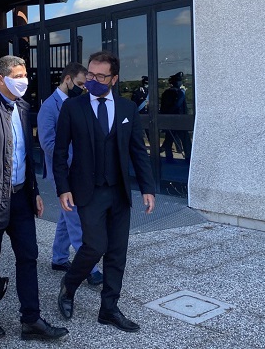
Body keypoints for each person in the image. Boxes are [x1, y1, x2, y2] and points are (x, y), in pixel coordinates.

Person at [0, 55, 68, 341]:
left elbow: (25, 155)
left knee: (28, 256)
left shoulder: (22, 107)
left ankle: (31, 320)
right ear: (0, 79)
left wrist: (35, 192)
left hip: (21, 198)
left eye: (24, 75)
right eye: (17, 76)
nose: (24, 81)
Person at [54, 51, 155, 333]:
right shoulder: (73, 107)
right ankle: (69, 285)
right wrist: (63, 188)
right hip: (88, 191)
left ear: (114, 78)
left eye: (100, 76)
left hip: (119, 191)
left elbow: (138, 151)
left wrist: (147, 188)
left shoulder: (127, 109)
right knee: (94, 246)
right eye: (90, 74)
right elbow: (59, 152)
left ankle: (109, 309)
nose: (93, 80)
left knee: (117, 252)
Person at [37, 62, 102, 286]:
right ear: (67, 79)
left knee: (67, 216)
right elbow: (47, 143)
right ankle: (90, 268)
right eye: (80, 84)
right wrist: (75, 160)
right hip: (64, 172)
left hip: (80, 171)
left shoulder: (78, 104)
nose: (83, 89)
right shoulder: (49, 107)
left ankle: (59, 258)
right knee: (76, 219)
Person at [160, 71, 191, 162]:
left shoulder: (169, 92)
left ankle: (169, 157)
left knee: (170, 139)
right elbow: (176, 105)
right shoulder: (176, 92)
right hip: (177, 120)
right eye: (179, 81)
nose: (181, 83)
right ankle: (187, 157)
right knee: (184, 140)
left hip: (173, 120)